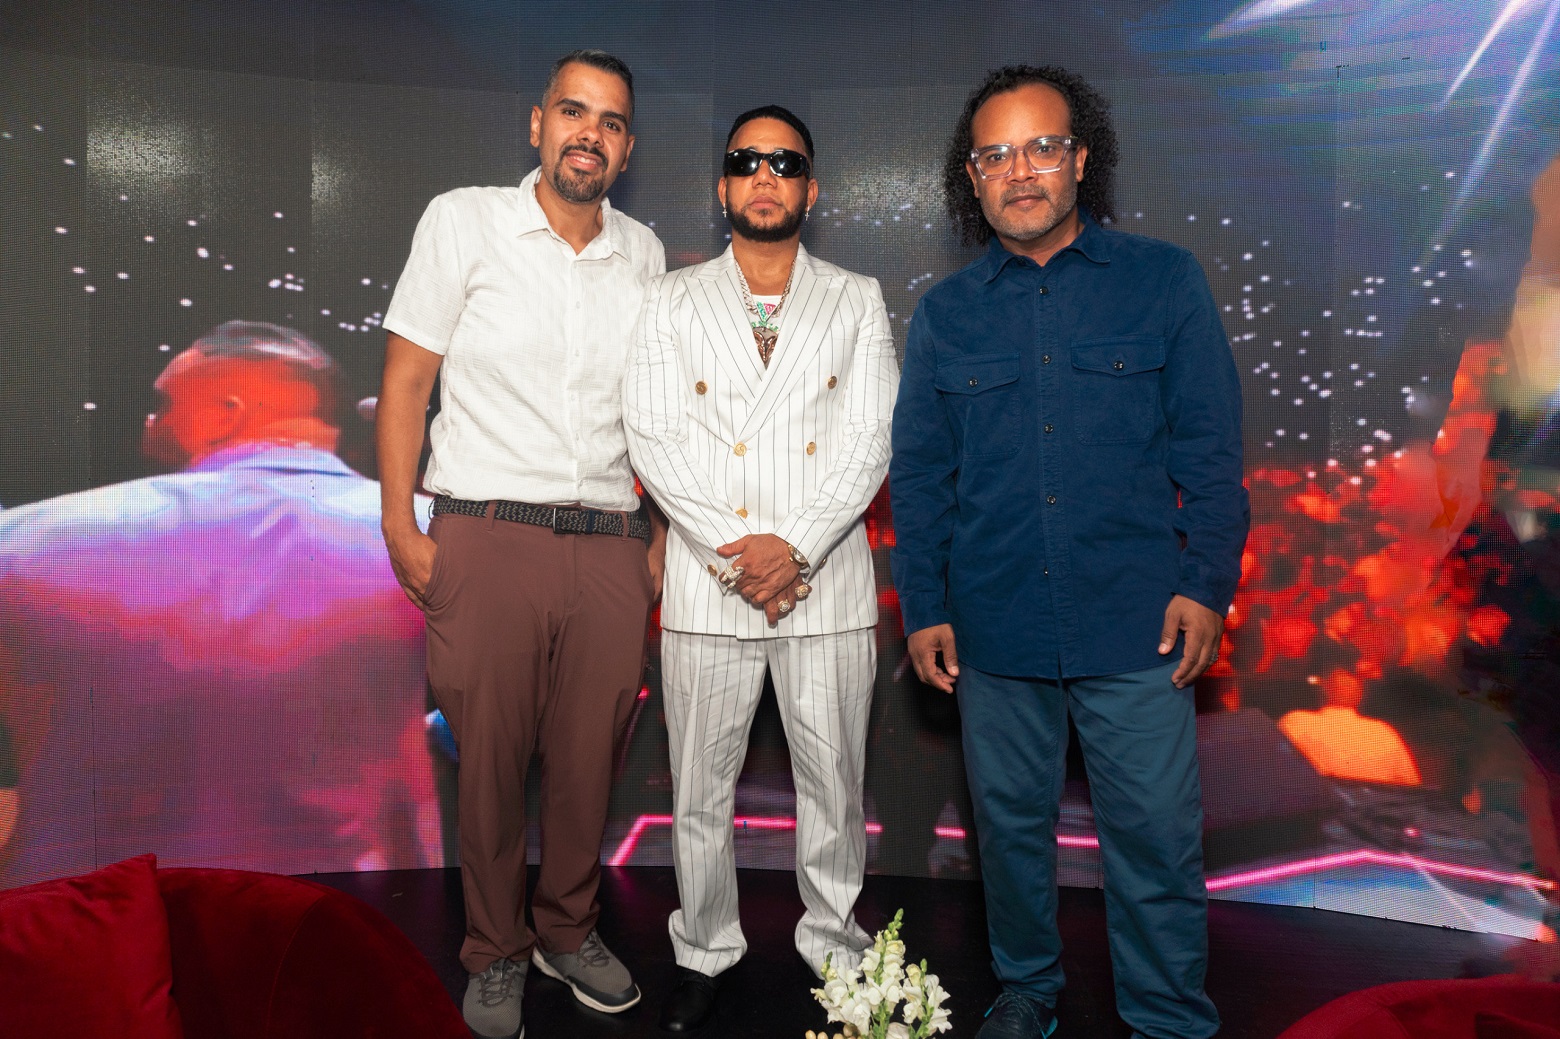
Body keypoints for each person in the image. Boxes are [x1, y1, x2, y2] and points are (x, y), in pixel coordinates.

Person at [890, 66, 1248, 1039]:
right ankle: (1027, 990)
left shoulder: (1164, 280)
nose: (1021, 171)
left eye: (1041, 147)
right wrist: (925, 603)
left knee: (1156, 839)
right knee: (1008, 837)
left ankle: (1168, 1017)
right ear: (972, 176)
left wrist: (1207, 583)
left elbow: (1212, 451)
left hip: (1139, 622)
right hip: (994, 627)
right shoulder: (945, 313)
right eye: (995, 155)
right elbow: (920, 475)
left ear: (1081, 159)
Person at [377, 50, 666, 1039]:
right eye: (573, 112)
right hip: (488, 533)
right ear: (537, 124)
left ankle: (567, 930)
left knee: (590, 762)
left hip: (612, 541)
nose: (590, 133)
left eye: (611, 121)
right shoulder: (462, 221)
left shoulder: (645, 253)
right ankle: (495, 947)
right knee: (491, 764)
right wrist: (399, 522)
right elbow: (408, 381)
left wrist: (659, 537)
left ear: (627, 148)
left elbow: (661, 414)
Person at [623, 104, 897, 1033]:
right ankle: (703, 948)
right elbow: (653, 436)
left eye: (785, 163)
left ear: (812, 189)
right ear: (723, 186)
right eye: (747, 161)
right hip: (713, 584)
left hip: (824, 583)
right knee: (699, 791)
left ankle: (839, 952)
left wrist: (797, 548)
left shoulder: (855, 296)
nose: (765, 176)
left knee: (835, 790)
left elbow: (870, 438)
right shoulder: (671, 297)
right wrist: (741, 556)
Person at [0, 321, 442, 888]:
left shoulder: (33, 539)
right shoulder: (444, 539)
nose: (150, 424)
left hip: (109, 922)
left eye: (162, 405)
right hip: (359, 917)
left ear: (226, 411)